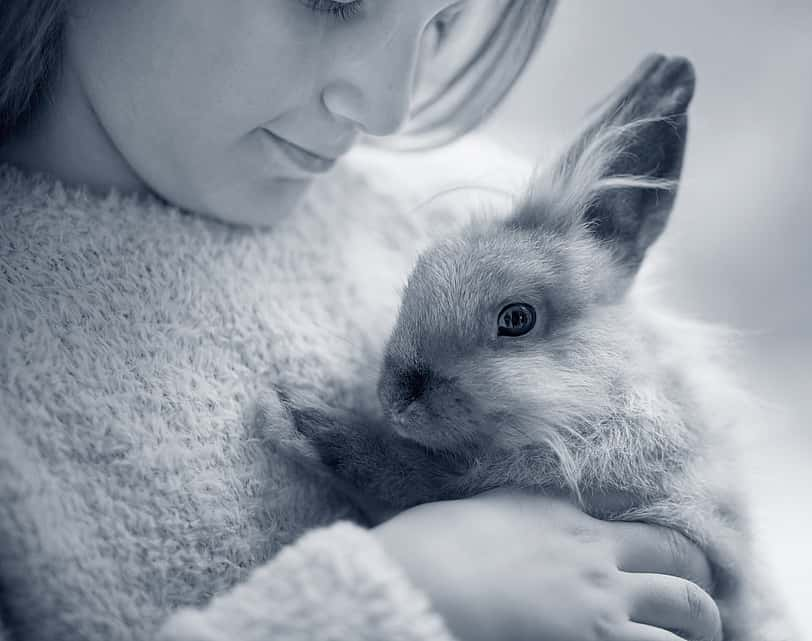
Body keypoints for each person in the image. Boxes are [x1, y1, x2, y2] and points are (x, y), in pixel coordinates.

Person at [0, 2, 724, 640]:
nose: (388, 108)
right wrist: (412, 589)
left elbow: (726, 568)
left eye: (441, 22)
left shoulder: (476, 219)